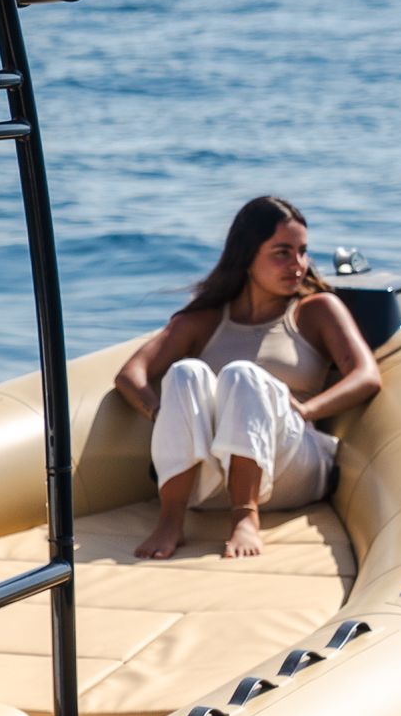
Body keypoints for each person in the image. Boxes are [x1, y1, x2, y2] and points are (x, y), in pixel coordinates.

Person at [115, 195, 382, 562]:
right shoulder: (205, 319)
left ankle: (245, 517)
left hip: (293, 464)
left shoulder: (315, 310)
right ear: (247, 256)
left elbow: (366, 375)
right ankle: (170, 518)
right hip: (214, 478)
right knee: (185, 373)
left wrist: (306, 410)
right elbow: (131, 374)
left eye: (303, 252)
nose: (298, 265)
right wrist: (161, 415)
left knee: (242, 374)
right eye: (282, 253)